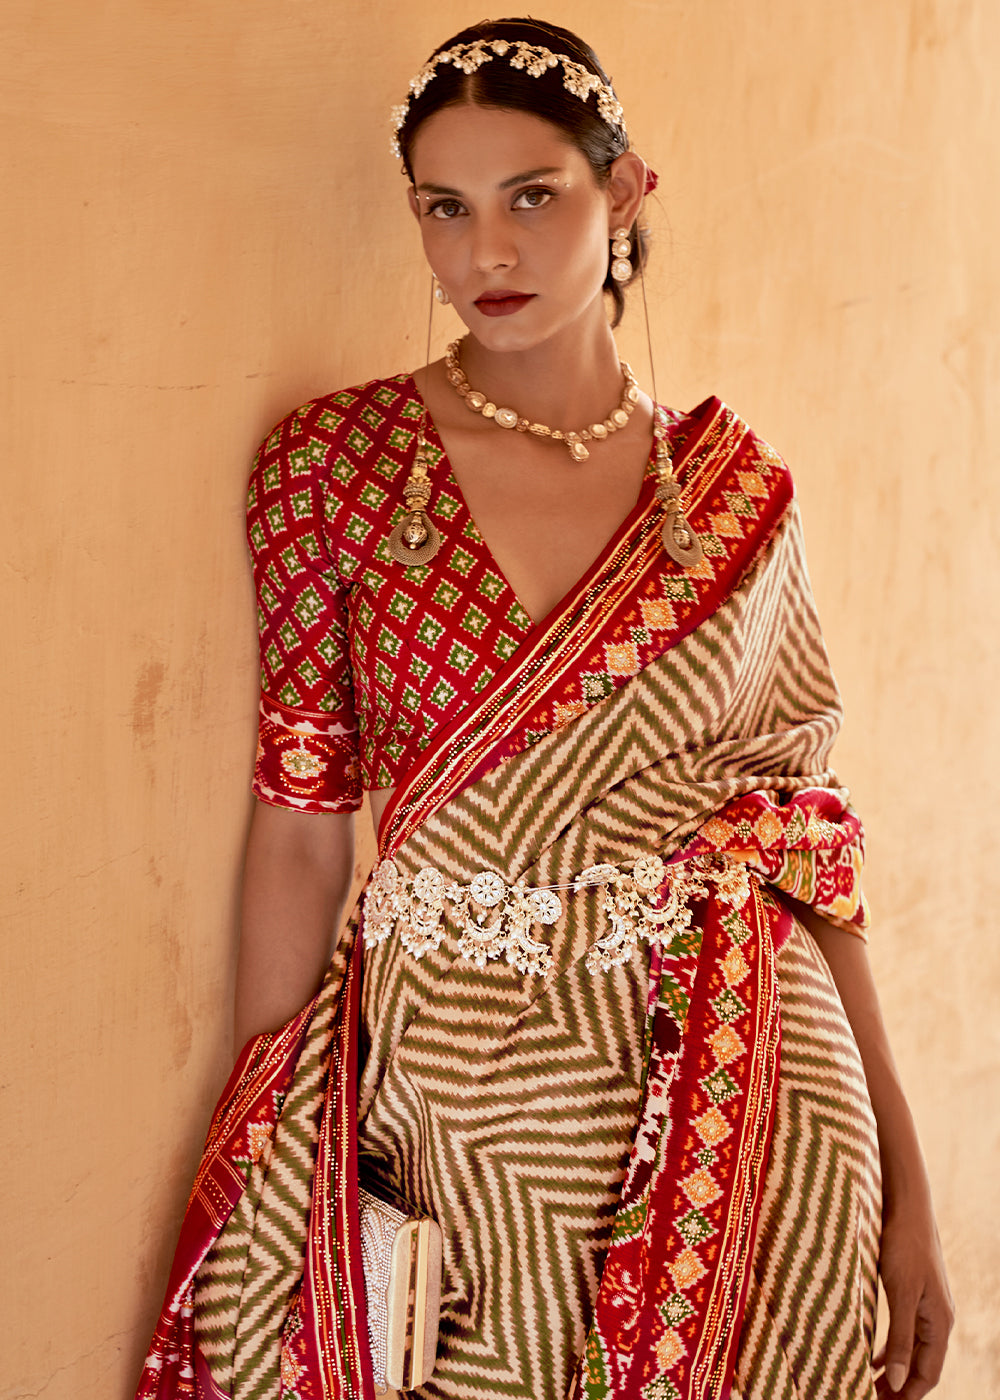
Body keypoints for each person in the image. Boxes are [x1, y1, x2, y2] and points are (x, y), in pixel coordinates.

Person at [135, 17, 953, 1400]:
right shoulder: (338, 468)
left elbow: (801, 846)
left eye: (533, 196)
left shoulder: (737, 498)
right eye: (443, 210)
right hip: (462, 1090)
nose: (485, 256)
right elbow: (299, 823)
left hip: (751, 1097)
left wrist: (908, 1174)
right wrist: (270, 1115)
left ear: (626, 193)